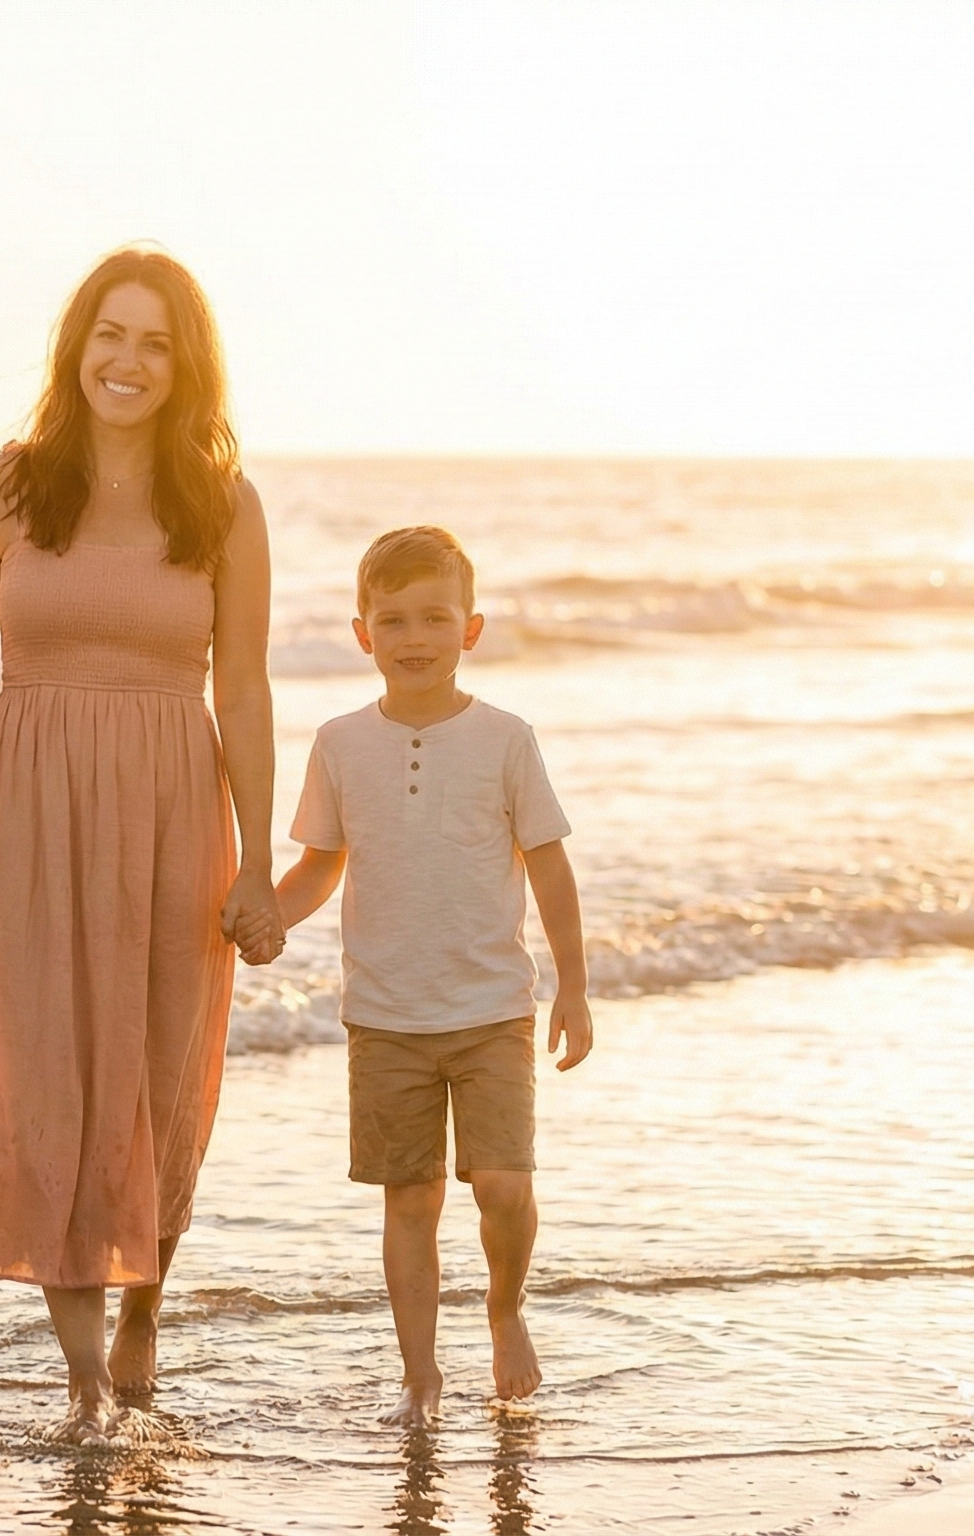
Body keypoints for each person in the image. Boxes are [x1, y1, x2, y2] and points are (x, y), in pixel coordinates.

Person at [0, 247, 283, 1442]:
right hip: (29, 809)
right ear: (75, 346)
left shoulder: (223, 505)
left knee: (158, 1076)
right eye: (110, 335)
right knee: (44, 1075)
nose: (127, 362)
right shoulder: (4, 488)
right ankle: (84, 1383)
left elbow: (243, 689)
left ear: (186, 368)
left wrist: (260, 864)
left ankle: (143, 1307)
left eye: (155, 343)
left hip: (175, 809)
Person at [265, 525, 594, 1426]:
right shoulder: (339, 743)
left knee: (503, 1185)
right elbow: (319, 865)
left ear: (470, 629)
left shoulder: (505, 739)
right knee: (409, 1200)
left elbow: (550, 865)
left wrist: (573, 986)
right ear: (362, 634)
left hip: (493, 1009)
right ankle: (421, 1375)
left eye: (436, 618)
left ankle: (505, 1309)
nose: (415, 638)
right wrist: (264, 918)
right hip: (384, 1015)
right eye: (394, 620)